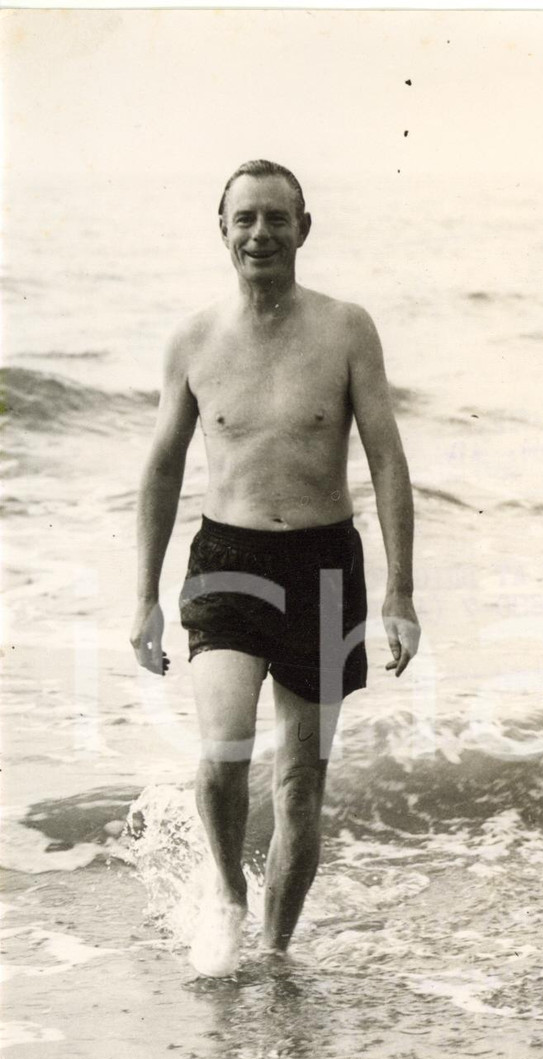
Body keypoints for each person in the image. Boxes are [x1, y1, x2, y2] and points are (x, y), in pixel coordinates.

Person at [130, 159, 420, 976]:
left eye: (276, 219)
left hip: (325, 568)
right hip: (230, 558)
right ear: (221, 229)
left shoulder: (346, 328)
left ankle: (275, 950)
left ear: (304, 227)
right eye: (244, 219)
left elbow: (389, 462)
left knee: (299, 785)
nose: (260, 234)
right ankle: (226, 900)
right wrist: (144, 599)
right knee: (222, 752)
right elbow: (160, 469)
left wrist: (400, 591)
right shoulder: (193, 340)